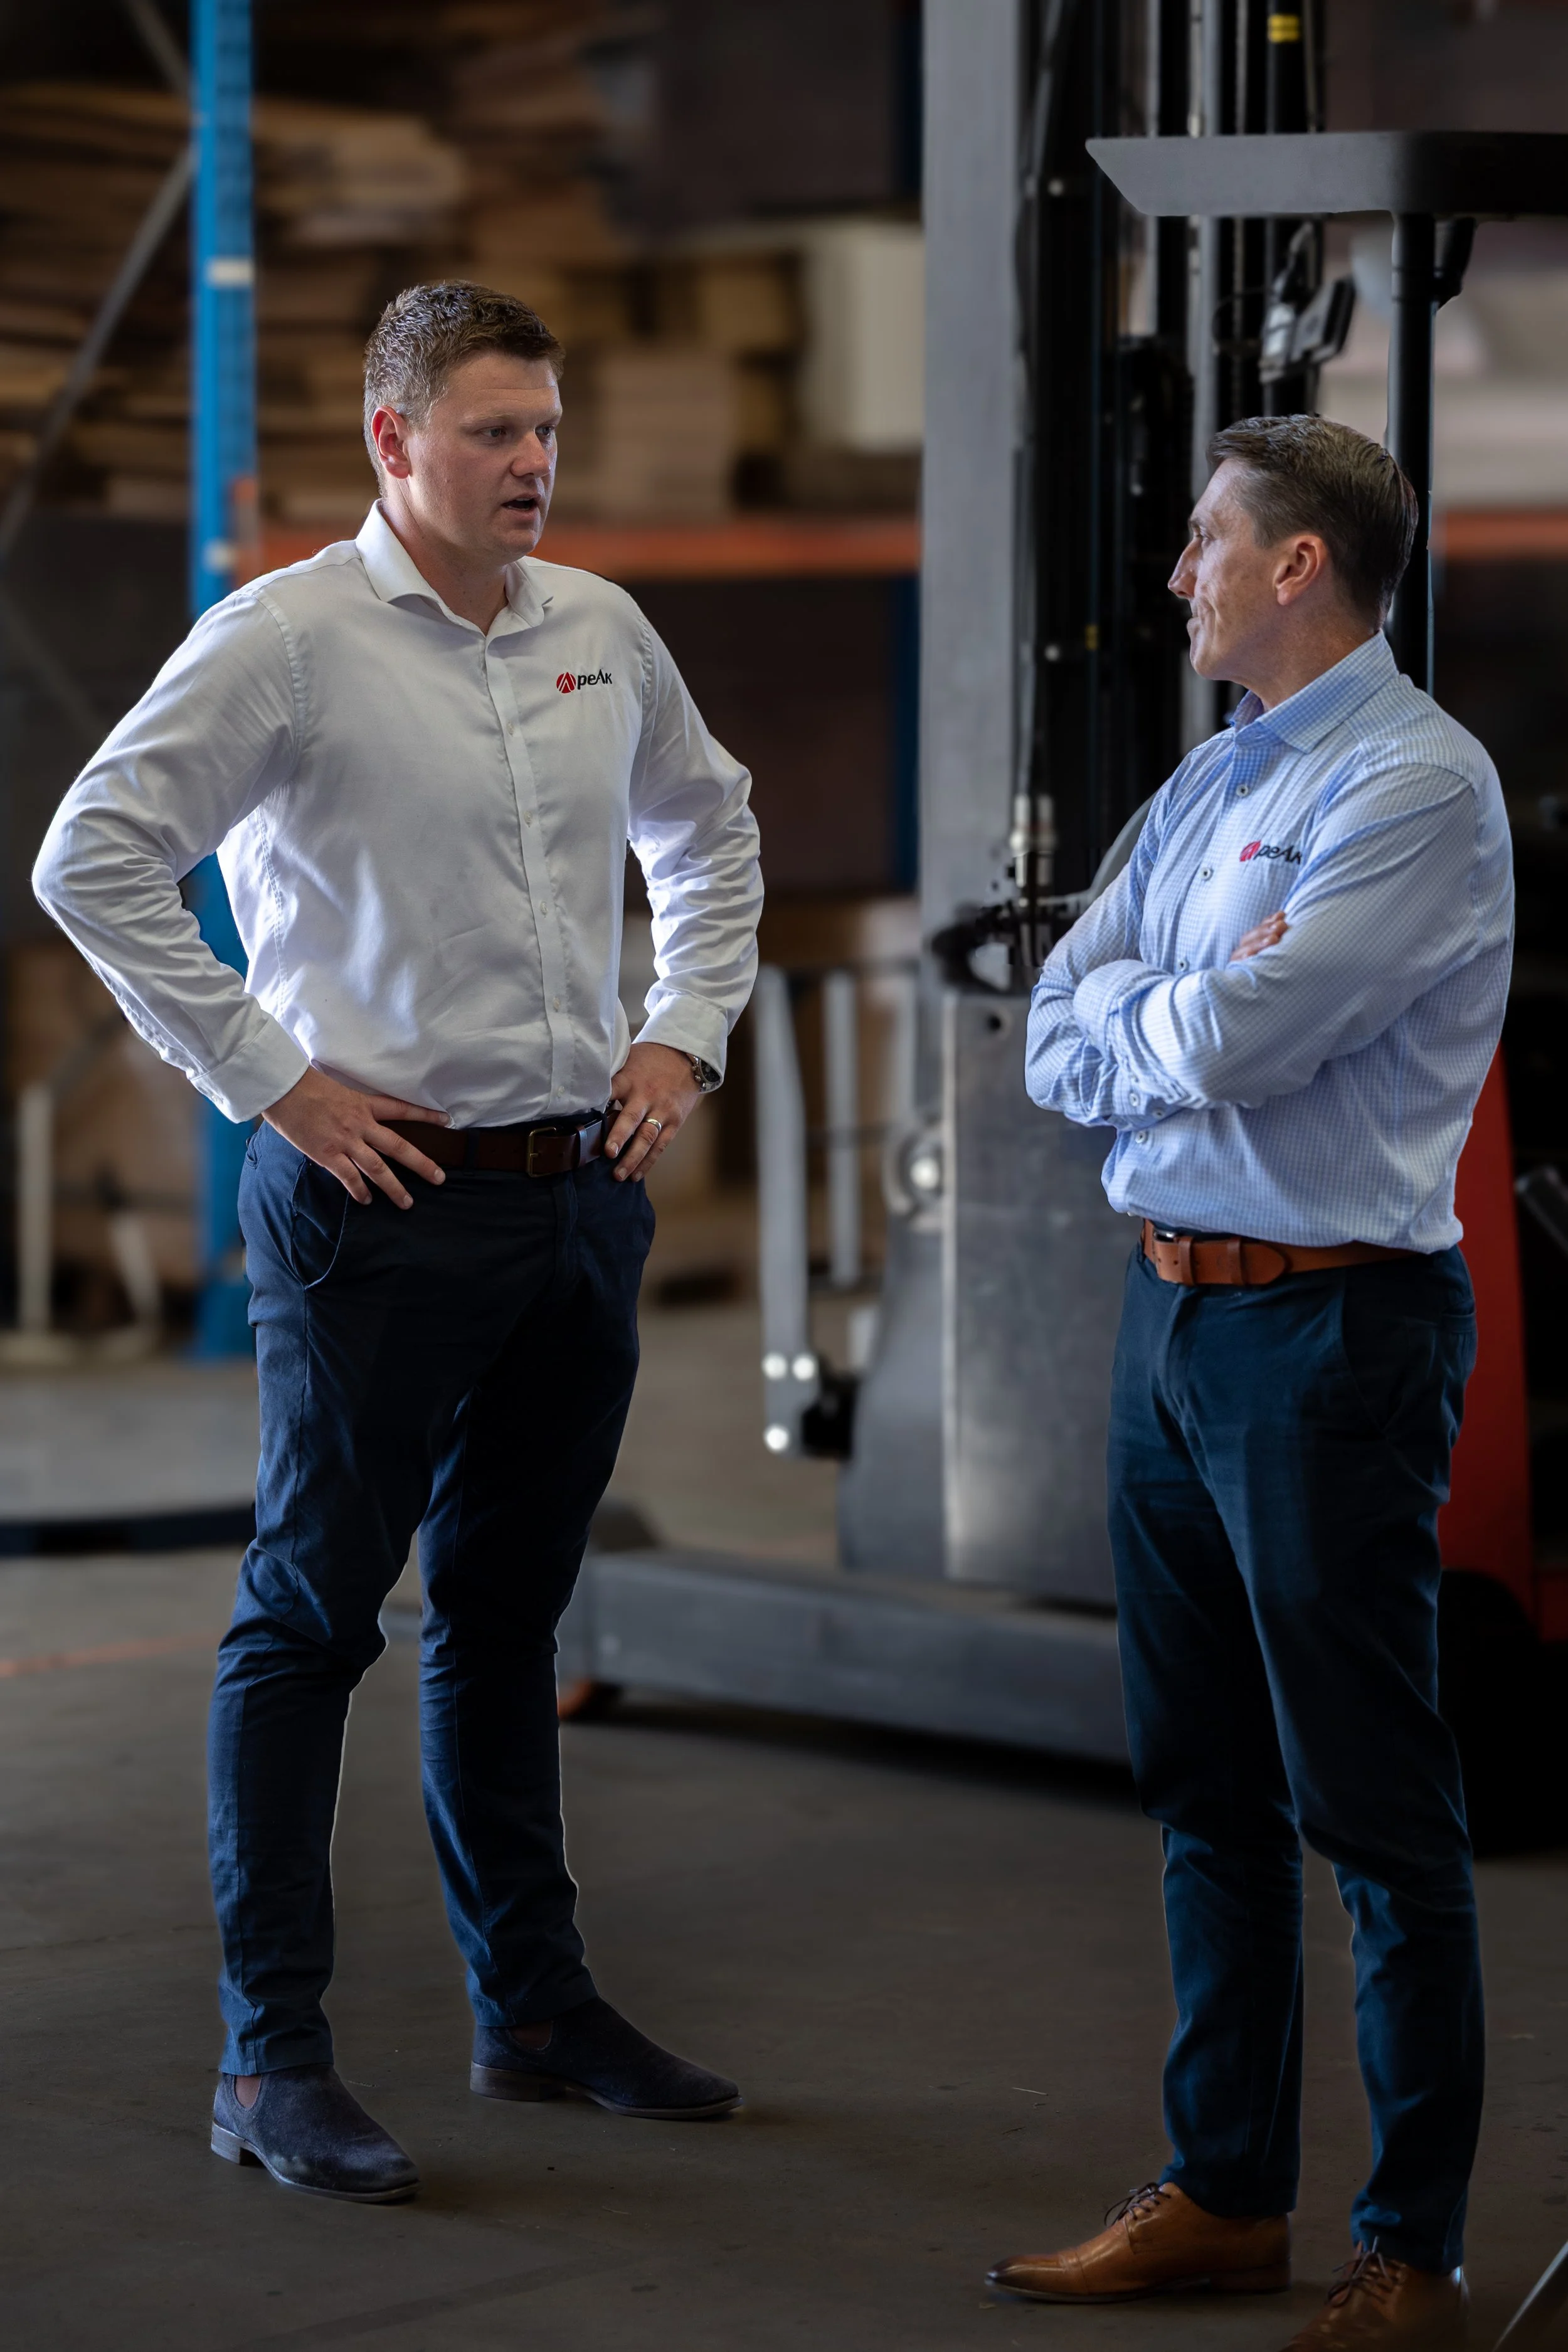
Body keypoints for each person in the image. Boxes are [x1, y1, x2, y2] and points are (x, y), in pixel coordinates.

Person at [34, 282, 763, 2205]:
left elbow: (709, 828)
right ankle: (268, 2056)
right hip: (379, 1203)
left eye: (547, 430)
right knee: (310, 1620)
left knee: (509, 1613)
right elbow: (91, 855)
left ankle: (533, 2005)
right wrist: (270, 1081)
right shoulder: (285, 642)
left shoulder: (598, 630)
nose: (533, 464)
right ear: (392, 440)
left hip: (574, 1197)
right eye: (493, 431)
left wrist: (683, 1028)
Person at [991, 415, 1510, 2348]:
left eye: (1204, 537)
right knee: (1200, 1783)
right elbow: (1058, 1025)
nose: (1175, 572)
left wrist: (1162, 1016)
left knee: (1367, 1805)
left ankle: (1413, 2251)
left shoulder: (1416, 786)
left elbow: (1234, 1040)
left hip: (1329, 1333)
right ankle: (1222, 2191)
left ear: (1297, 565)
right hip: (1169, 1321)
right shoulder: (1214, 777)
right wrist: (1172, 1009)